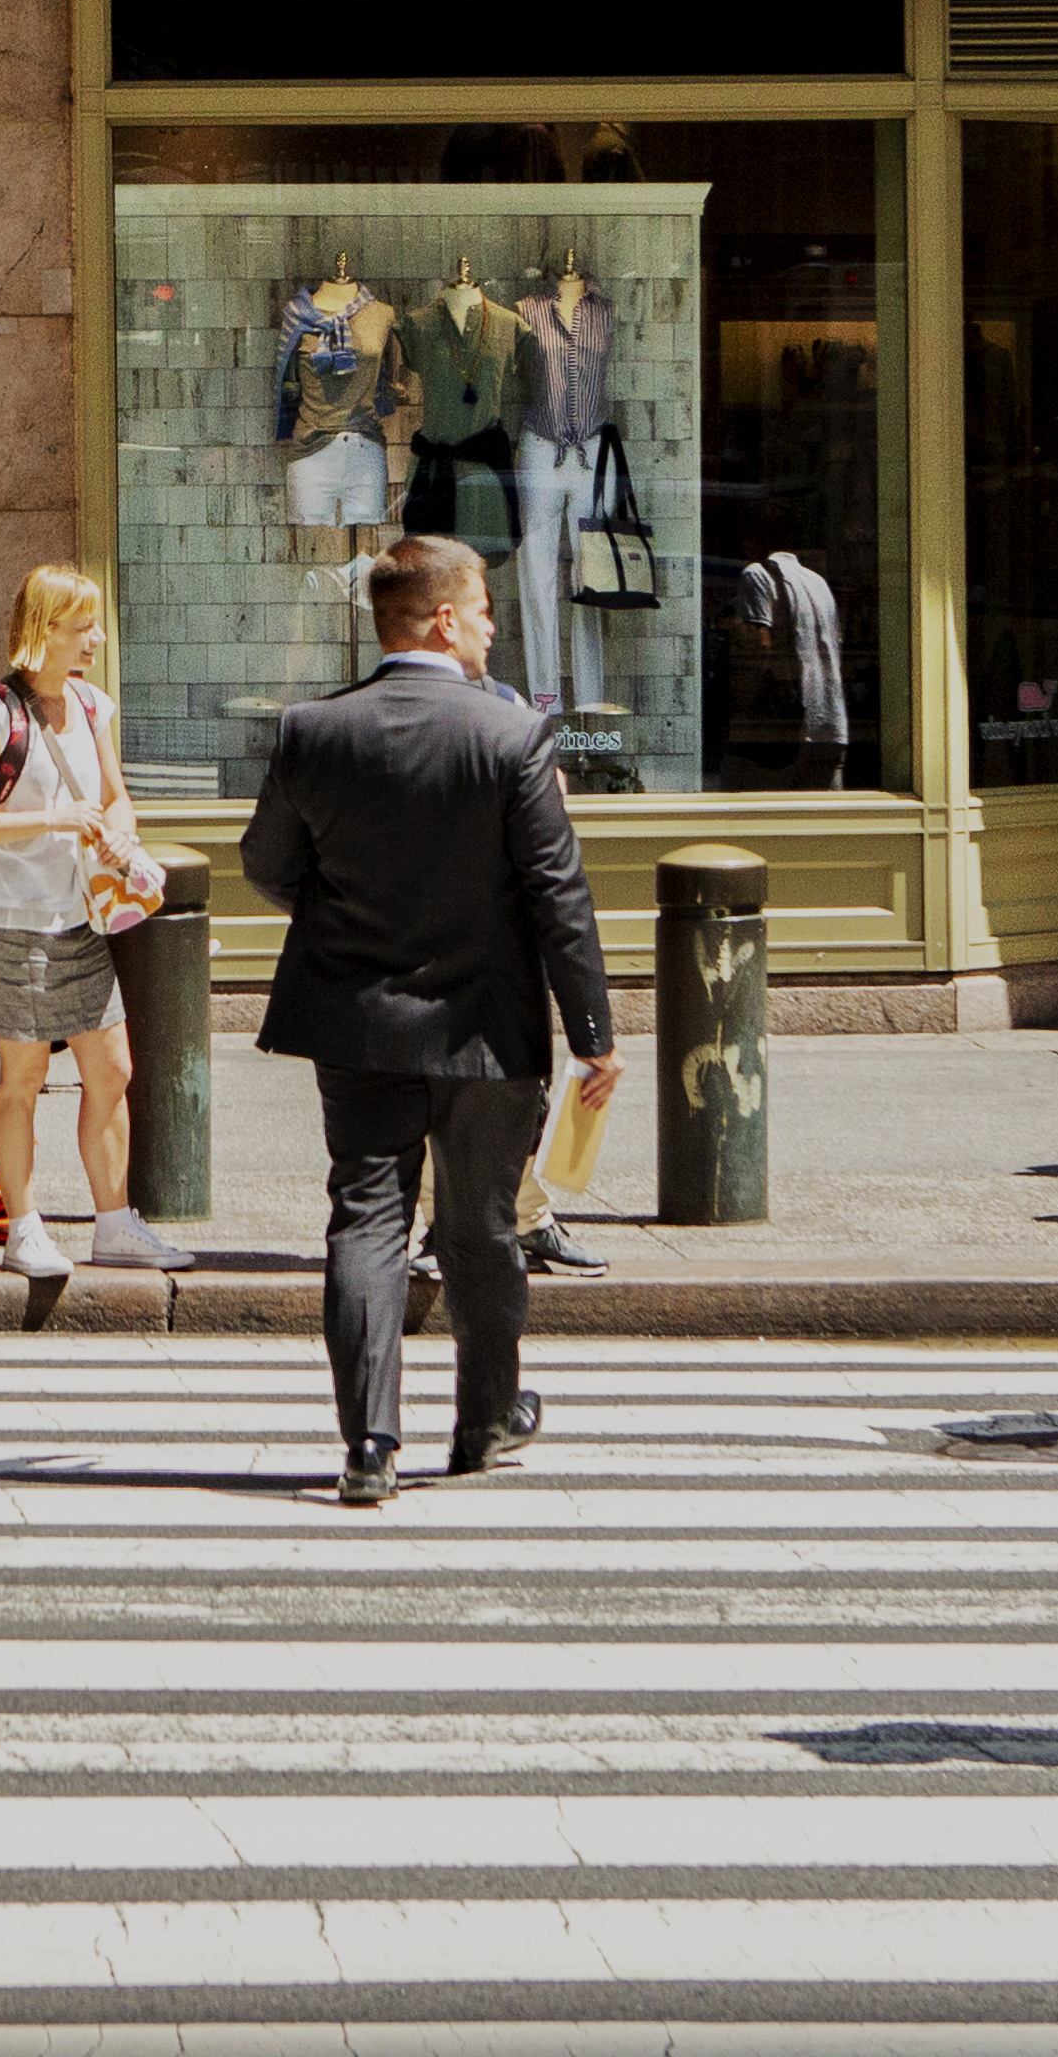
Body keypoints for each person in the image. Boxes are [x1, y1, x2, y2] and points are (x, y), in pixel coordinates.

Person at [242, 536, 619, 1511]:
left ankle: (369, 1443)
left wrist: (341, 918)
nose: (495, 626)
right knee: (481, 1229)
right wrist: (594, 1032)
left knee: (364, 1217)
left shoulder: (312, 731)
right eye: (486, 607)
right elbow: (558, 897)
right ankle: (484, 1419)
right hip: (488, 1026)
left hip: (358, 1019)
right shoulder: (511, 737)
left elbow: (267, 864)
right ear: (445, 619)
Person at [0, 565, 187, 1282]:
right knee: (24, 1076)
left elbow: (114, 795)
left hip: (81, 911)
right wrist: (54, 819)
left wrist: (119, 836)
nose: (96, 640)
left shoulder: (92, 705)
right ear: (45, 631)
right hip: (15, 917)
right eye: (83, 628)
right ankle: (23, 1226)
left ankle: (113, 1223)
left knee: (112, 1068)